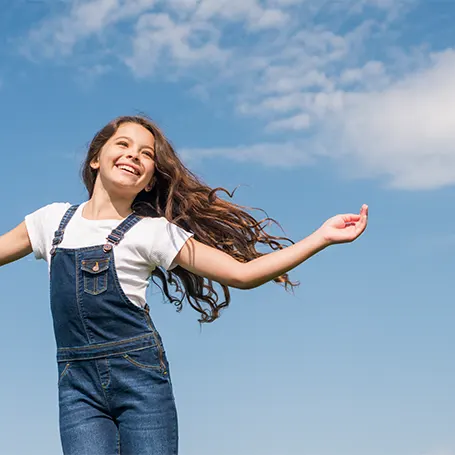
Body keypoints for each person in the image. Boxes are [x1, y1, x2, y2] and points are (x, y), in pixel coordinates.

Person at [0, 115, 368, 455]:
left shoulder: (153, 232)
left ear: (149, 180)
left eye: (146, 154)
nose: (134, 156)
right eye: (123, 145)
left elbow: (243, 274)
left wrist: (321, 237)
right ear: (96, 158)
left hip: (140, 381)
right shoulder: (51, 221)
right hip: (77, 387)